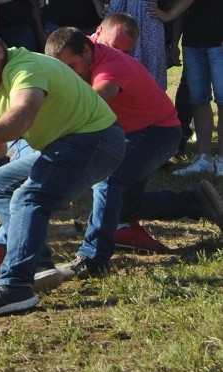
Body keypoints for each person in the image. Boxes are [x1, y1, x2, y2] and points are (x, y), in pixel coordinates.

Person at [0, 28, 125, 319]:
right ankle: (40, 264)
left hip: (97, 140)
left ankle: (15, 285)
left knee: (28, 197)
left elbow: (22, 115)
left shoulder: (27, 66)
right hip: (63, 145)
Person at [45, 27, 223, 269]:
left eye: (72, 67)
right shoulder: (82, 46)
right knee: (125, 205)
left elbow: (93, 104)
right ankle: (195, 201)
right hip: (129, 131)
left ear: (87, 51)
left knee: (109, 180)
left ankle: (92, 257)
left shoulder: (111, 68)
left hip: (158, 132)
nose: (70, 75)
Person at [173, 0, 223, 176]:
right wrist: (175, 39)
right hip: (193, 40)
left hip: (219, 40)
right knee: (199, 99)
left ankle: (222, 158)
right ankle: (204, 155)